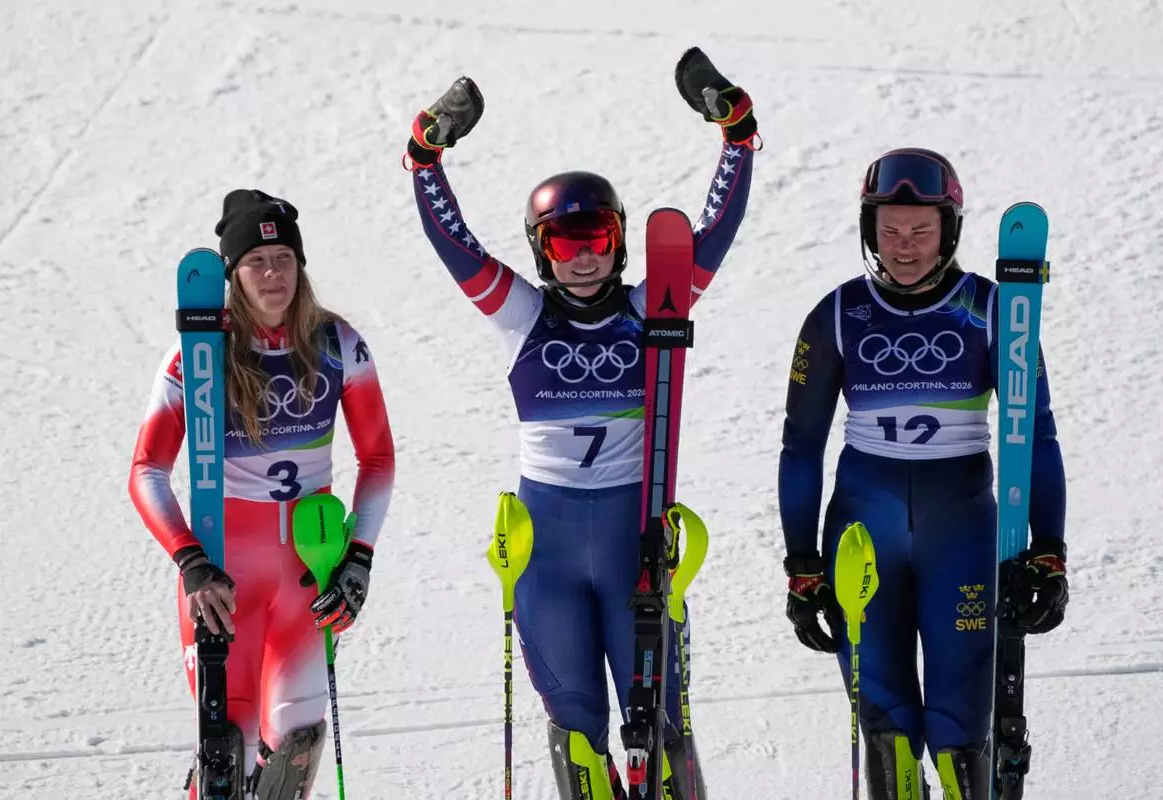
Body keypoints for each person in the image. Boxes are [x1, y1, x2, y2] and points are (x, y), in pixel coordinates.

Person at [404, 48, 757, 800]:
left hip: (637, 548)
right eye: (566, 243)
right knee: (576, 740)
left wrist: (737, 135)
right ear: (542, 250)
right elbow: (452, 244)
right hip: (549, 555)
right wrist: (424, 156)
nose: (584, 259)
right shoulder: (520, 316)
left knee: (658, 732)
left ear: (620, 240)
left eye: (596, 239)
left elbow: (714, 231)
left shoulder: (652, 307)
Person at [777, 149, 1069, 799]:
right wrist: (802, 566)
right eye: (889, 230)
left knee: (960, 734)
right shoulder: (836, 316)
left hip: (962, 537)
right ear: (867, 229)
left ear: (950, 230)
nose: (904, 247)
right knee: (887, 735)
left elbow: (1035, 436)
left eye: (920, 230)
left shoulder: (996, 312)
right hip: (861, 534)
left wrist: (1048, 553)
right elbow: (800, 447)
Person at [128, 190, 395, 799]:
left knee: (297, 744)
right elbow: (146, 469)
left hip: (308, 575)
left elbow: (378, 458)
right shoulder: (199, 354)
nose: (273, 274)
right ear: (232, 274)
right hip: (225, 583)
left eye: (283, 258)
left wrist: (359, 557)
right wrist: (191, 563)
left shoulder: (339, 345)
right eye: (255, 261)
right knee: (228, 746)